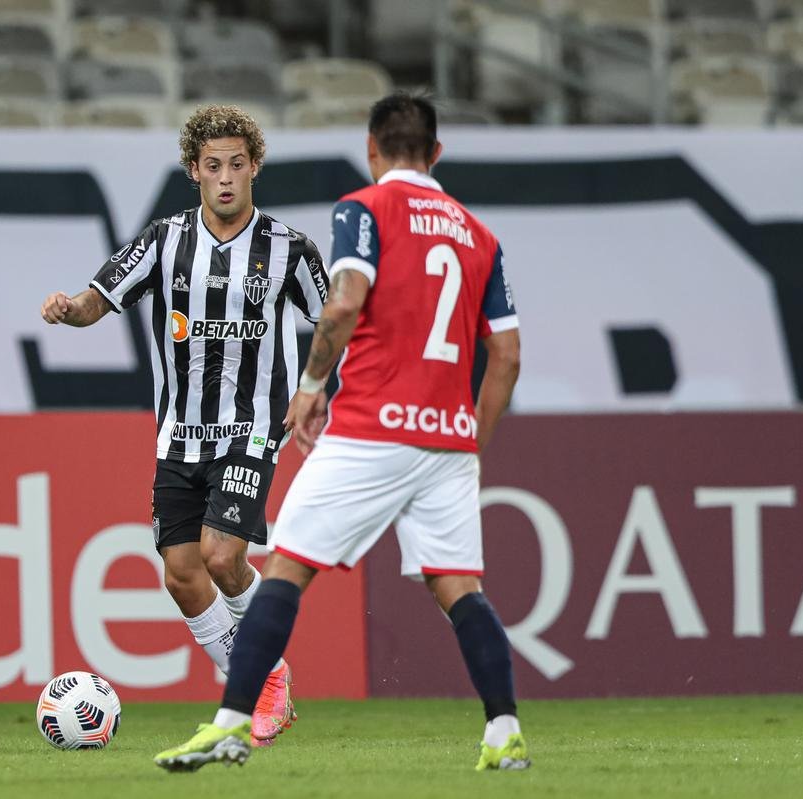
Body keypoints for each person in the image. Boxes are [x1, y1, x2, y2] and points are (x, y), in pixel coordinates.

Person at [153, 92, 529, 772]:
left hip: (373, 427)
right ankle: (504, 730)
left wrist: (310, 386)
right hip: (448, 438)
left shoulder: (364, 209)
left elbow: (346, 299)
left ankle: (230, 723)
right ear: (437, 153)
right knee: (459, 587)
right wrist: (470, 443)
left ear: (373, 150)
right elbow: (506, 356)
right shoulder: (480, 235)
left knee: (285, 569)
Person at [42, 105, 329, 747]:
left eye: (236, 165)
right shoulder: (163, 241)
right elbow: (97, 300)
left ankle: (263, 683)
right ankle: (264, 679)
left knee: (222, 556)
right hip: (179, 434)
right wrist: (67, 309)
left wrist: (317, 389)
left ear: (254, 167)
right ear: (193, 172)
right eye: (212, 166)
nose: (225, 178)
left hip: (252, 428)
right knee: (180, 573)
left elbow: (337, 321)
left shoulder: (288, 249)